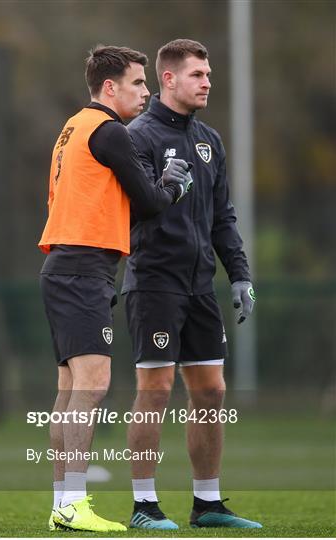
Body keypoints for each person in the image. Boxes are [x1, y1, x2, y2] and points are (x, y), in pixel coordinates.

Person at [38, 44, 192, 534]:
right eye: (138, 83)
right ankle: (73, 503)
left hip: (67, 265)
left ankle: (64, 502)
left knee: (69, 390)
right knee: (91, 385)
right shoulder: (109, 131)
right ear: (110, 88)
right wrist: (172, 183)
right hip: (82, 267)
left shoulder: (73, 126)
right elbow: (148, 202)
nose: (147, 92)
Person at [122, 39, 262, 530]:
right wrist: (162, 187)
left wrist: (240, 274)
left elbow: (222, 216)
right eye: (198, 74)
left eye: (209, 73)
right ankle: (144, 505)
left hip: (201, 286)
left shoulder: (210, 140)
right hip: (155, 281)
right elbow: (131, 213)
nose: (207, 82)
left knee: (211, 390)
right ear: (169, 79)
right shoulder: (136, 136)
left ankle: (208, 504)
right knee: (155, 389)